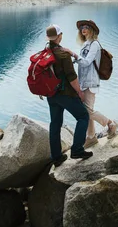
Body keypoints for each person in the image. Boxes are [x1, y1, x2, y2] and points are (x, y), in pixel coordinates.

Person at [45, 24, 93, 165]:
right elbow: (72, 77)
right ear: (59, 36)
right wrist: (79, 92)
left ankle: (56, 157)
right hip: (65, 94)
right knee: (83, 116)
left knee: (55, 124)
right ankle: (77, 150)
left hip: (51, 94)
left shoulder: (45, 51)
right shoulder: (63, 54)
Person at [69, 20, 117, 148]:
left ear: (92, 30)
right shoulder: (86, 44)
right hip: (84, 82)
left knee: (87, 111)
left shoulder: (94, 44)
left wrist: (73, 55)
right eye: (82, 28)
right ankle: (91, 137)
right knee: (87, 110)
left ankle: (110, 124)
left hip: (91, 82)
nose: (83, 29)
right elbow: (82, 63)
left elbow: (86, 62)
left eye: (86, 27)